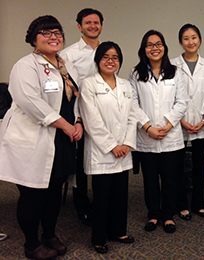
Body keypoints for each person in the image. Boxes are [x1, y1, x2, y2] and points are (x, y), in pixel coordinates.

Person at [0, 15, 82, 259]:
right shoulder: (25, 65)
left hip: (61, 140)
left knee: (55, 190)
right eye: (46, 32)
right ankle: (32, 244)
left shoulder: (66, 66)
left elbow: (75, 97)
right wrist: (66, 126)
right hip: (34, 138)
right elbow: (30, 102)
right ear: (33, 40)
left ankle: (49, 234)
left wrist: (77, 121)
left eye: (57, 32)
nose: (53, 36)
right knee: (33, 193)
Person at [79, 41, 136, 254]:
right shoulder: (89, 84)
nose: (110, 61)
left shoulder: (125, 85)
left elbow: (132, 116)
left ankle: (118, 231)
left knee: (121, 194)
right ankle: (99, 237)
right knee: (102, 197)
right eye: (106, 57)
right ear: (98, 60)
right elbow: (91, 120)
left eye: (115, 57)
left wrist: (127, 144)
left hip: (123, 150)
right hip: (102, 151)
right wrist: (112, 146)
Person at [130, 30, 188, 234]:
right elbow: (133, 104)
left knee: (171, 178)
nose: (154, 48)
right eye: (149, 44)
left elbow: (182, 102)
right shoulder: (136, 74)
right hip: (147, 136)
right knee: (150, 179)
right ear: (143, 49)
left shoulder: (176, 72)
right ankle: (153, 214)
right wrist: (147, 127)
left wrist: (169, 125)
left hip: (171, 136)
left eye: (158, 44)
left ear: (164, 47)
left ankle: (168, 215)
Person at [61, 8, 104, 226]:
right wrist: (76, 119)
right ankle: (82, 205)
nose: (92, 26)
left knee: (100, 158)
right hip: (80, 116)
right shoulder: (69, 54)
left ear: (101, 26)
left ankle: (102, 201)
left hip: (104, 115)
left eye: (96, 23)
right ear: (79, 26)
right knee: (81, 164)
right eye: (88, 23)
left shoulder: (107, 51)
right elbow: (69, 92)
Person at [171, 24, 204, 220]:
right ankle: (181, 204)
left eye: (194, 37)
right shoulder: (173, 64)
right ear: (181, 42)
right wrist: (180, 120)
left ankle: (199, 203)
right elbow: (170, 95)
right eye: (186, 38)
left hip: (202, 124)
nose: (190, 42)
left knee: (199, 166)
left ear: (199, 40)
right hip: (178, 124)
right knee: (178, 166)